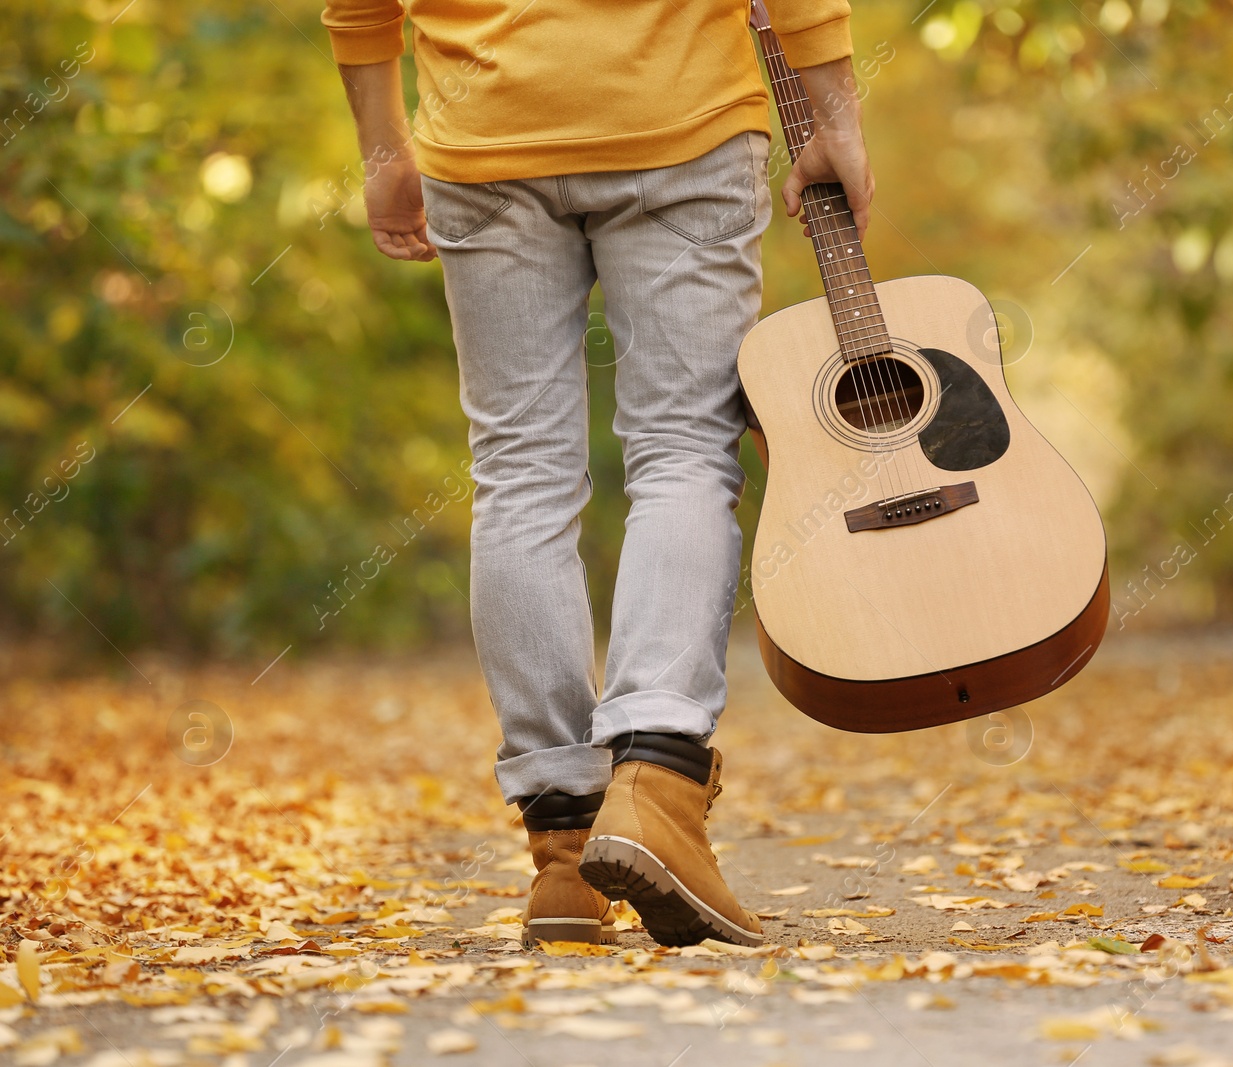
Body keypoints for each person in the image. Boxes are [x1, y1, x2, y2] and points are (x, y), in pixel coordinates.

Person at [320, 0, 874, 947]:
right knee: (685, 450)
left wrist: (383, 150)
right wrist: (837, 119)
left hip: (485, 128)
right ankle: (657, 780)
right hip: (680, 118)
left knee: (519, 473)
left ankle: (563, 848)